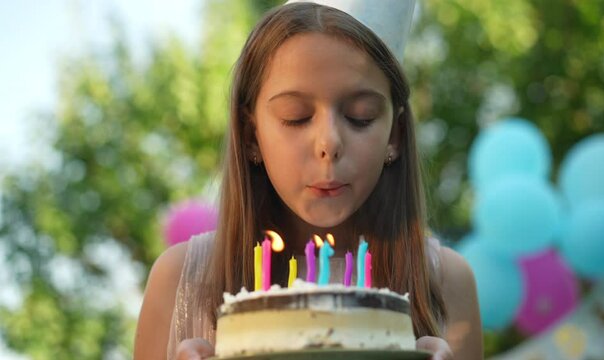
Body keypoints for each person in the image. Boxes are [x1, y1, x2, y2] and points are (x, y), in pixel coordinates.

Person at [134, 2, 483, 359]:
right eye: (296, 117)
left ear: (394, 135)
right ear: (251, 135)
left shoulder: (446, 282)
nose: (328, 144)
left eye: (360, 117)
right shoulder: (181, 281)